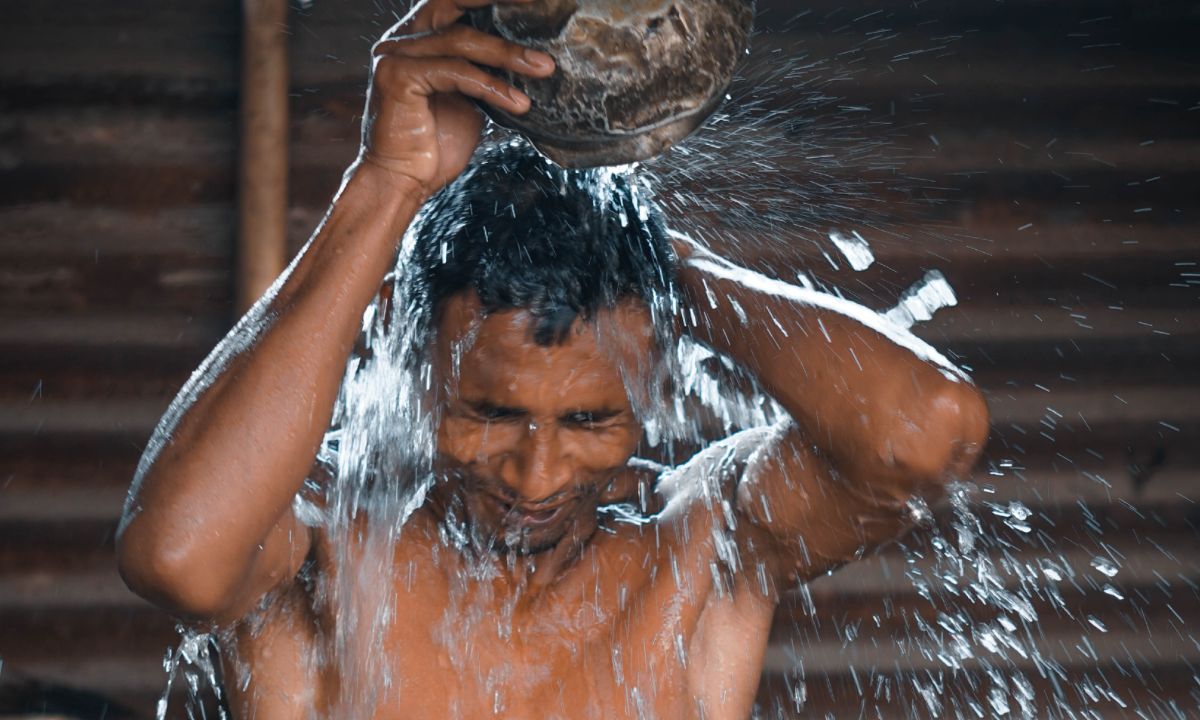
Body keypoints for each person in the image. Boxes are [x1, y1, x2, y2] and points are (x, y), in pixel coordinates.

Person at [116, 0, 989, 717]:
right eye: (489, 414)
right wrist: (386, 183)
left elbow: (926, 432)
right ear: (414, 369)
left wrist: (659, 269)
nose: (535, 478)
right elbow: (176, 556)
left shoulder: (696, 549)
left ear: (652, 390)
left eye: (589, 420)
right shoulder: (323, 553)